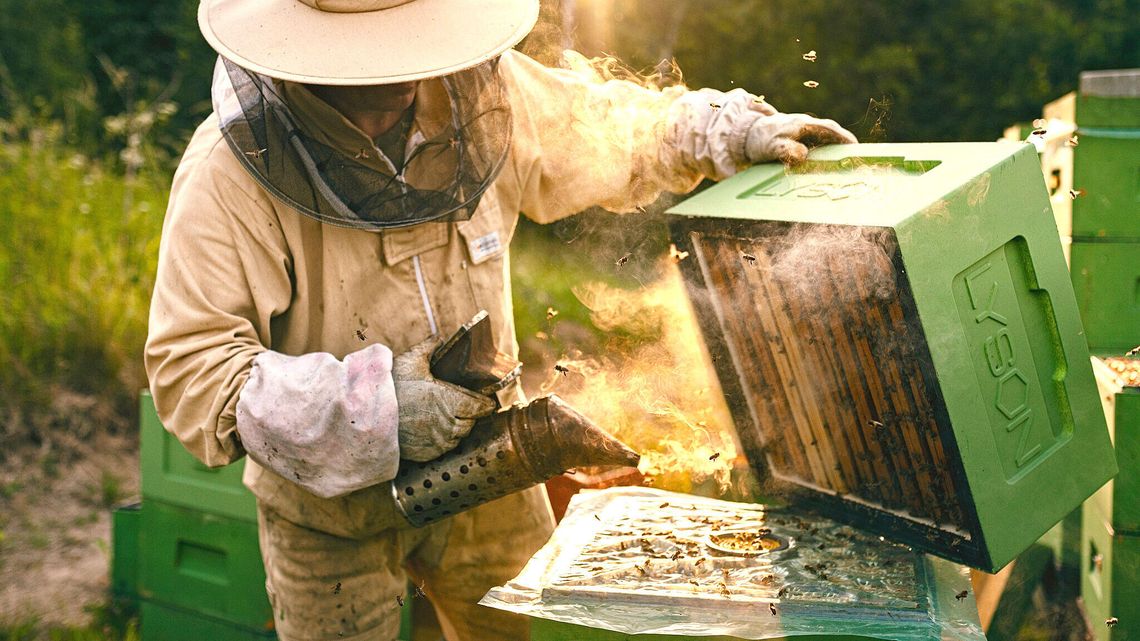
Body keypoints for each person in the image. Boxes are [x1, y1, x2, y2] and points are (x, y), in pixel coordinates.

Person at [144, 1, 857, 639]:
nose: (404, 75)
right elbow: (194, 372)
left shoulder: (482, 95)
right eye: (373, 57)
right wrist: (379, 408)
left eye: (411, 40)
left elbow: (606, 128)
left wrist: (720, 131)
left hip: (494, 469)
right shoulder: (227, 173)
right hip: (329, 514)